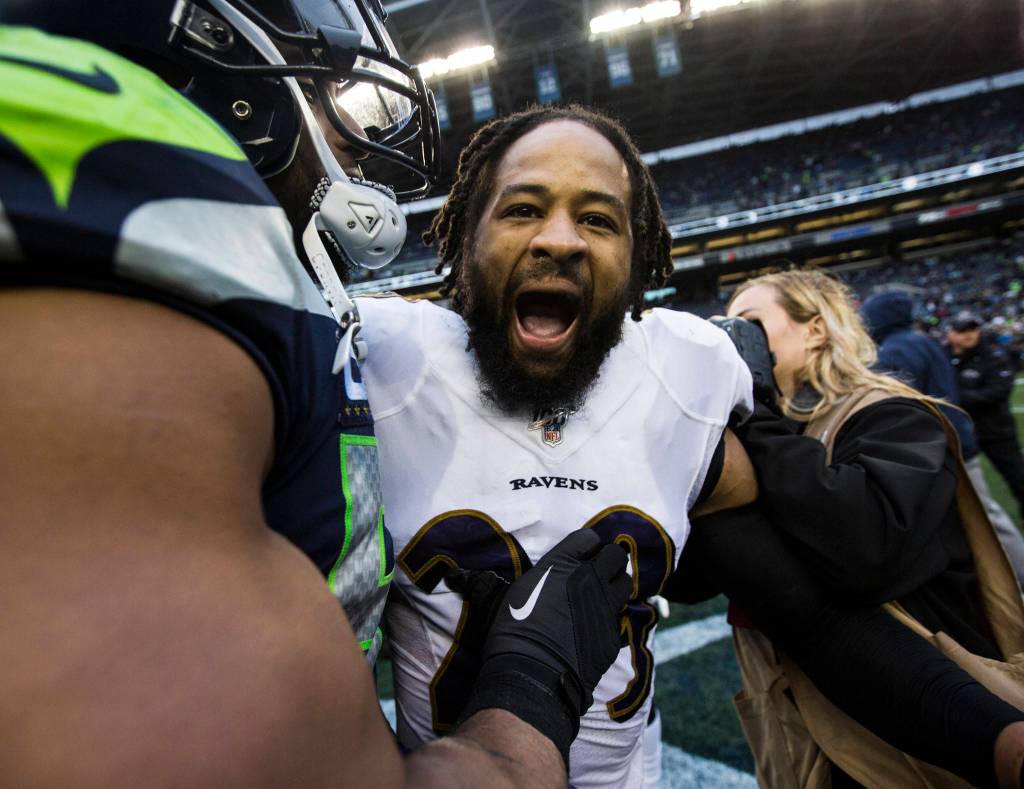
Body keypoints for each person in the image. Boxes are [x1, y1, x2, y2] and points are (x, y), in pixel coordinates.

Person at [0, 3, 632, 786]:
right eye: (339, 91)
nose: (359, 135)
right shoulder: (118, 147)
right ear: (213, 34)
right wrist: (528, 695)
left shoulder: (277, 250)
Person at [355, 104, 759, 788]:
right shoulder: (382, 355)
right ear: (465, 238)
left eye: (599, 220)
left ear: (637, 256)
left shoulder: (692, 368)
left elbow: (742, 484)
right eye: (522, 210)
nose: (561, 240)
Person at [670, 270, 1024, 788]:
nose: (731, 340)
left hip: (925, 720)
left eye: (749, 323)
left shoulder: (892, 414)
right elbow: (688, 580)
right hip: (810, 726)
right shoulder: (772, 431)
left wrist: (753, 416)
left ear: (816, 329)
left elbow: (865, 547)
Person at [862, 289, 1024, 584]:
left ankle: (1018, 573)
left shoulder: (895, 350)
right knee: (980, 514)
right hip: (953, 434)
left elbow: (893, 404)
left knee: (982, 516)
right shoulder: (922, 340)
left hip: (939, 443)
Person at [949, 311, 1024, 521]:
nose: (968, 334)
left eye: (972, 329)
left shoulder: (993, 355)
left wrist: (958, 397)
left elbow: (998, 391)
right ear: (952, 333)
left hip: (996, 430)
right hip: (964, 431)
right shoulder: (947, 356)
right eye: (962, 330)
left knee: (1017, 476)